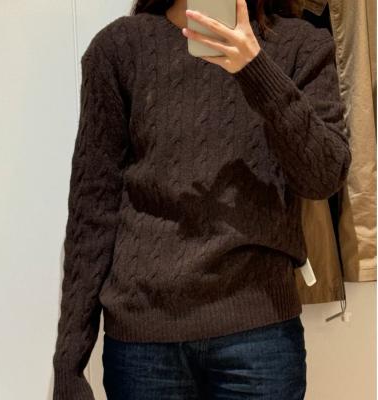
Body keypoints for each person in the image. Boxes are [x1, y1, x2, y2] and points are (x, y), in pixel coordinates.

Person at [52, 0, 352, 399]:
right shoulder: (119, 48)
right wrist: (69, 360)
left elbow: (324, 176)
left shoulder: (302, 45)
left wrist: (256, 70)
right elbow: (92, 207)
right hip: (144, 344)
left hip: (258, 337)